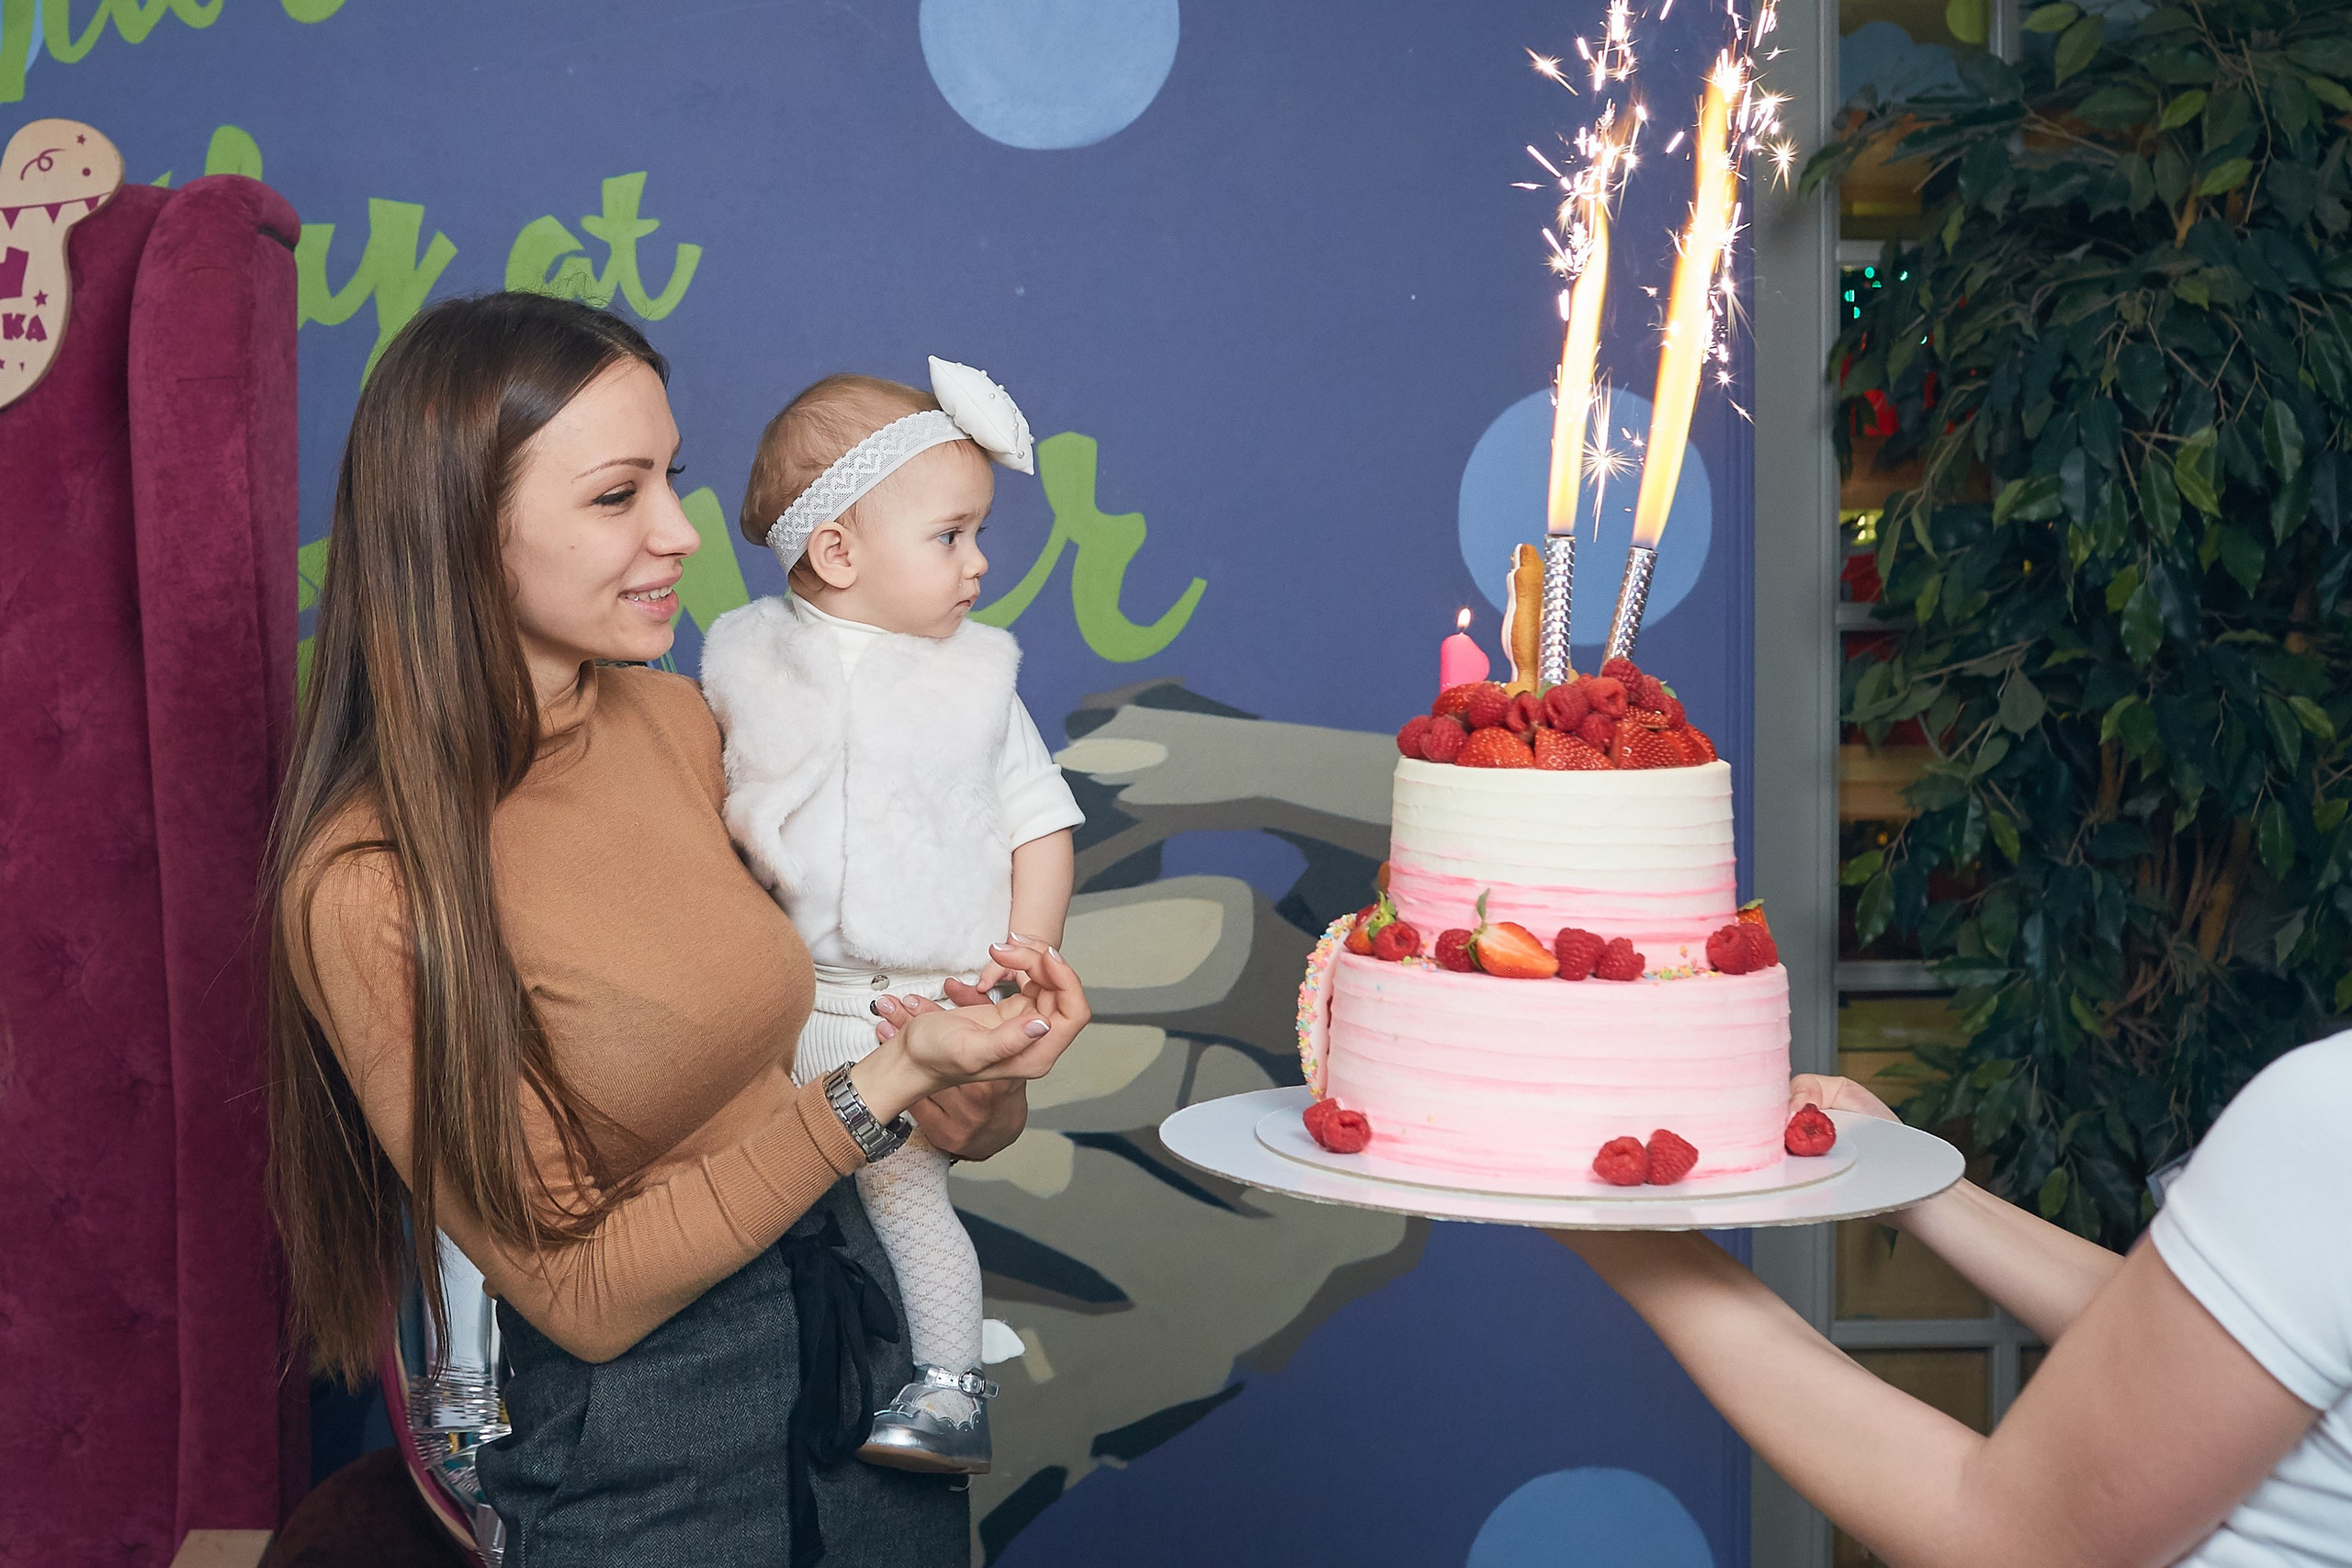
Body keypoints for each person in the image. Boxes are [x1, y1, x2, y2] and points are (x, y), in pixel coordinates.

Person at [265, 291, 1091, 1568]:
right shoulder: (371, 880)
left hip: (864, 1378)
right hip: (649, 1464)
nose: (681, 533)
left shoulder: (687, 725)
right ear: (461, 527)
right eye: (617, 495)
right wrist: (884, 1085)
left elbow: (859, 1072)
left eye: (673, 477)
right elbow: (579, 1295)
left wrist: (976, 1086)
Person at [698, 361, 1080, 1474]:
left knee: (904, 1195)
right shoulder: (744, 664)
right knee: (742, 1199)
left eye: (977, 534)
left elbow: (1040, 825)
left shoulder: (976, 681)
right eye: (951, 536)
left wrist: (1022, 960)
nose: (979, 562)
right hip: (776, 1005)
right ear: (837, 552)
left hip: (914, 1012)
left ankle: (951, 1387)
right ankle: (744, 1407)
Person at [1555, 1043, 2351, 1566]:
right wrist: (1916, 1185)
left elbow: (2007, 1540)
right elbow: (2195, 1347)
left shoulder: (2327, 1112)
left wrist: (1622, 1234)